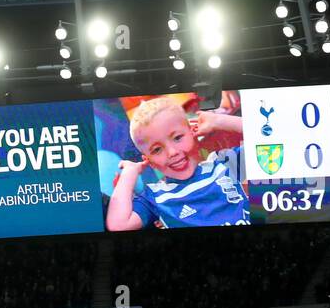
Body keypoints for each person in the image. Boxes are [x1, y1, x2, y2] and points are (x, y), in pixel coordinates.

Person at [106, 96, 248, 231]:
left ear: (193, 132)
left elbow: (268, 139)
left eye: (178, 137)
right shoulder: (155, 196)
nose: (172, 152)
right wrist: (129, 173)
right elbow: (118, 225)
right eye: (157, 150)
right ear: (149, 161)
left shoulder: (224, 164)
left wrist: (219, 121)